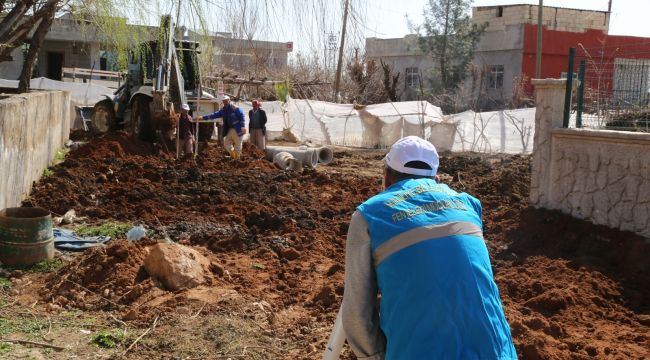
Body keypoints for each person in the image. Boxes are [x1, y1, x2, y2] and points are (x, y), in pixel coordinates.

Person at [342, 136, 517, 359]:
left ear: (386, 178)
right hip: (496, 351)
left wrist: (374, 356)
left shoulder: (369, 215)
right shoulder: (469, 204)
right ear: (437, 178)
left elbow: (356, 312)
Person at [197, 95, 246, 159]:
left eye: (226, 101)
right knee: (226, 144)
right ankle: (233, 155)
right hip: (230, 129)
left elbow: (242, 116)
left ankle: (237, 159)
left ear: (229, 100)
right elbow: (214, 115)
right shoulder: (223, 110)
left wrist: (243, 126)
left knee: (238, 145)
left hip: (238, 129)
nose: (225, 102)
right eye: (224, 101)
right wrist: (203, 117)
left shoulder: (235, 108)